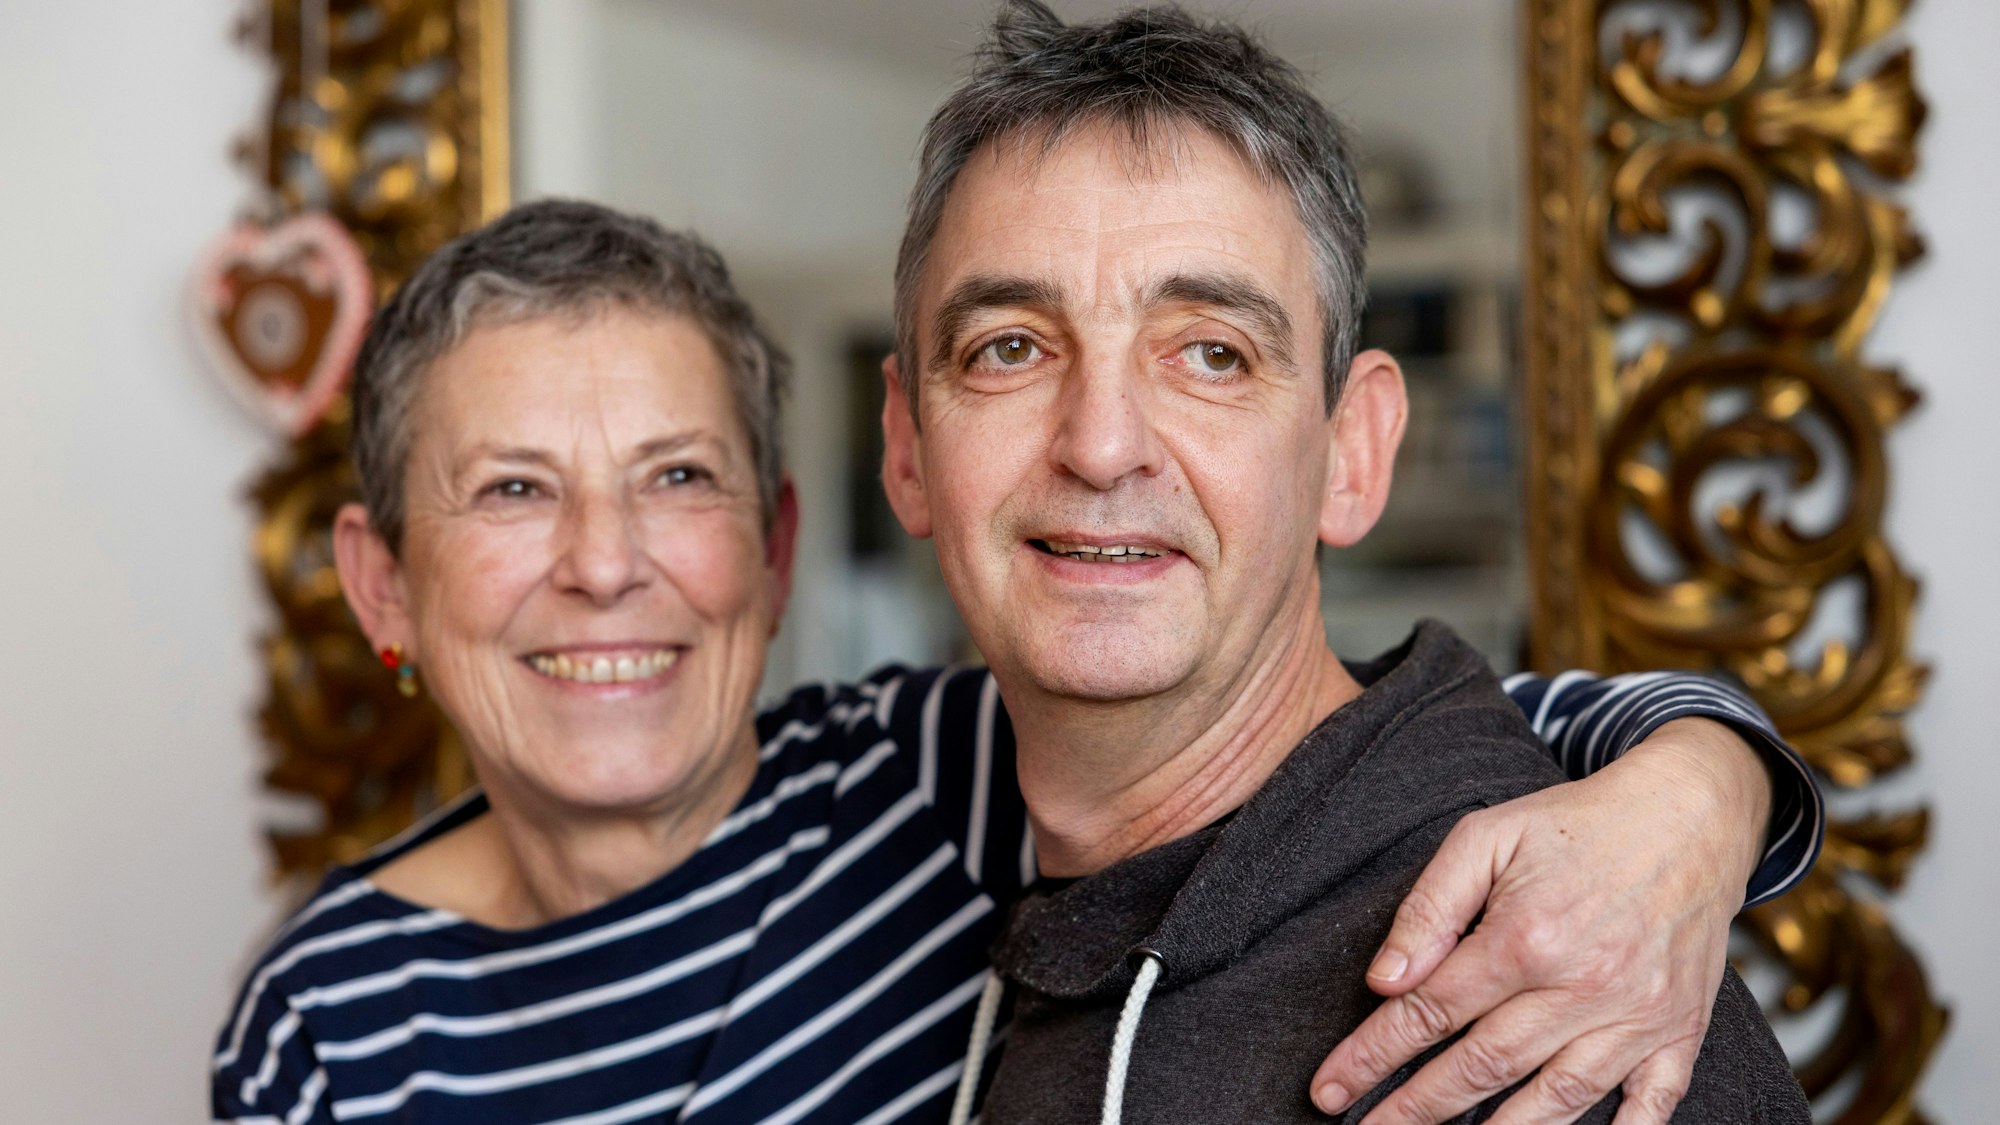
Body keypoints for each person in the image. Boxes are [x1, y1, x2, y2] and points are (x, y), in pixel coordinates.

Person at [208, 209, 1815, 1125]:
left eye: (677, 477)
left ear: (774, 548)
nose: (604, 562)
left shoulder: (929, 781)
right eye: (511, 491)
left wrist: (1697, 794)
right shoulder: (329, 1020)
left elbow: (1376, 742)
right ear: (381, 581)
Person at [871, 4, 1812, 1123]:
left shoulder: (1547, 992)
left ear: (1352, 452)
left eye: (1211, 354)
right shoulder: (899, 796)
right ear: (906, 449)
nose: (1102, 444)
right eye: (1010, 348)